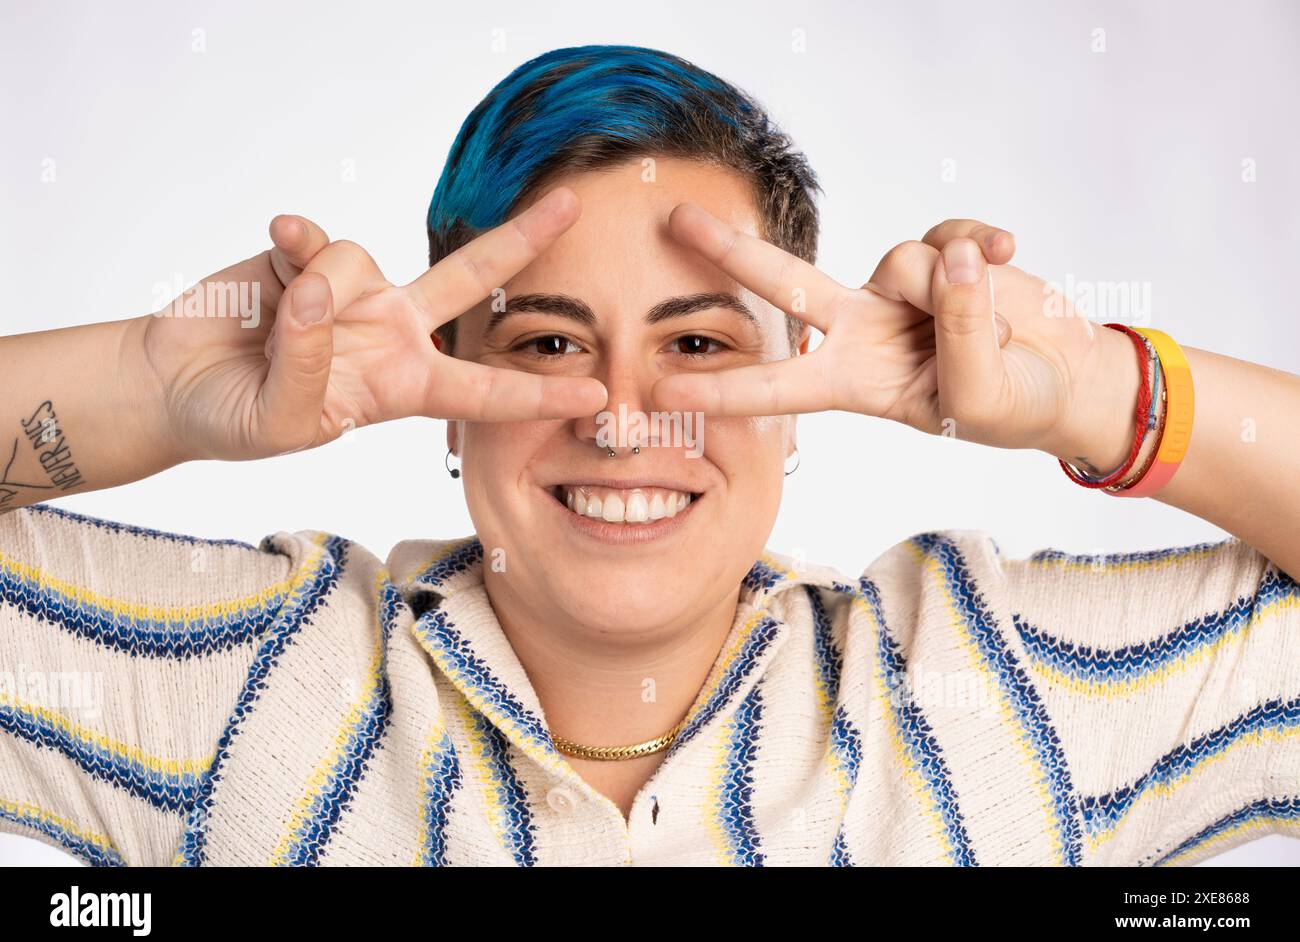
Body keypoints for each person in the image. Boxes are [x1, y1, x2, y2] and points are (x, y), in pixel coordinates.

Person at [1, 44, 1297, 867]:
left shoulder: (992, 691)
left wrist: (1096, 393)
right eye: (552, 346)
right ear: (448, 401)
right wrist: (150, 392)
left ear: (801, 397)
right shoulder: (252, 684)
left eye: (701, 346)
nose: (623, 417)